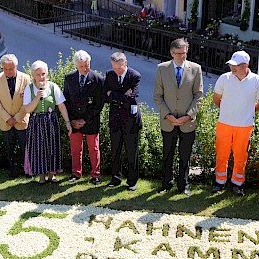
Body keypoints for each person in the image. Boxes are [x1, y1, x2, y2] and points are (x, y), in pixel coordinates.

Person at [153, 38, 203, 196]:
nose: (183, 56)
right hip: (168, 122)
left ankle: (183, 185)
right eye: (179, 53)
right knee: (168, 154)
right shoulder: (162, 69)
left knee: (185, 155)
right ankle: (166, 183)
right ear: (172, 53)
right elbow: (157, 96)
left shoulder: (196, 69)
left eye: (185, 53)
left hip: (187, 123)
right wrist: (168, 116)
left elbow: (198, 96)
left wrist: (188, 116)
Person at [211, 50, 259, 196]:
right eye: (232, 64)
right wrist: (228, 111)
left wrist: (249, 112)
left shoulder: (256, 81)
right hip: (224, 123)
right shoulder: (224, 78)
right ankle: (219, 183)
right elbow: (216, 99)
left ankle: (237, 184)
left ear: (246, 65)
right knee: (221, 154)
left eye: (236, 65)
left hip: (245, 126)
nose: (233, 68)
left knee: (240, 157)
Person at [23, 60, 72, 184]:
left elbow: (61, 106)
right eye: (38, 74)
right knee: (39, 148)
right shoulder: (29, 89)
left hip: (51, 121)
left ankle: (52, 175)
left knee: (52, 147)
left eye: (43, 74)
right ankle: (41, 176)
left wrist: (67, 122)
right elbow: (28, 109)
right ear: (33, 75)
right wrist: (37, 97)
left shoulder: (53, 86)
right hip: (36, 121)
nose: (41, 77)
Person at [63, 50, 104, 185]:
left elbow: (99, 104)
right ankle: (76, 173)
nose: (85, 68)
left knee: (94, 149)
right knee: (75, 149)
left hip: (91, 120)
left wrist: (85, 119)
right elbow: (66, 100)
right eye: (82, 66)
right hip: (74, 121)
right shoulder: (69, 78)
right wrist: (72, 121)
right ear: (76, 65)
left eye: (87, 65)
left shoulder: (98, 79)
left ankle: (95, 175)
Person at [103, 52, 142, 191]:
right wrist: (120, 96)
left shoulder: (135, 76)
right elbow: (104, 96)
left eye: (119, 68)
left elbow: (132, 98)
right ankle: (116, 178)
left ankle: (132, 181)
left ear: (125, 63)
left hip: (130, 120)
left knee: (132, 151)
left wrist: (113, 95)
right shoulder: (109, 75)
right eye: (114, 68)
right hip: (115, 118)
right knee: (115, 150)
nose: (117, 71)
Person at [0, 54, 31, 179]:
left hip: (22, 120)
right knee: (9, 148)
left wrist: (17, 117)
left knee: (25, 147)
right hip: (6, 121)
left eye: (11, 69)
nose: (8, 71)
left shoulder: (25, 78)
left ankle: (27, 170)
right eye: (5, 69)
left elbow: (28, 101)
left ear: (16, 66)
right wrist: (7, 118)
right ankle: (13, 170)